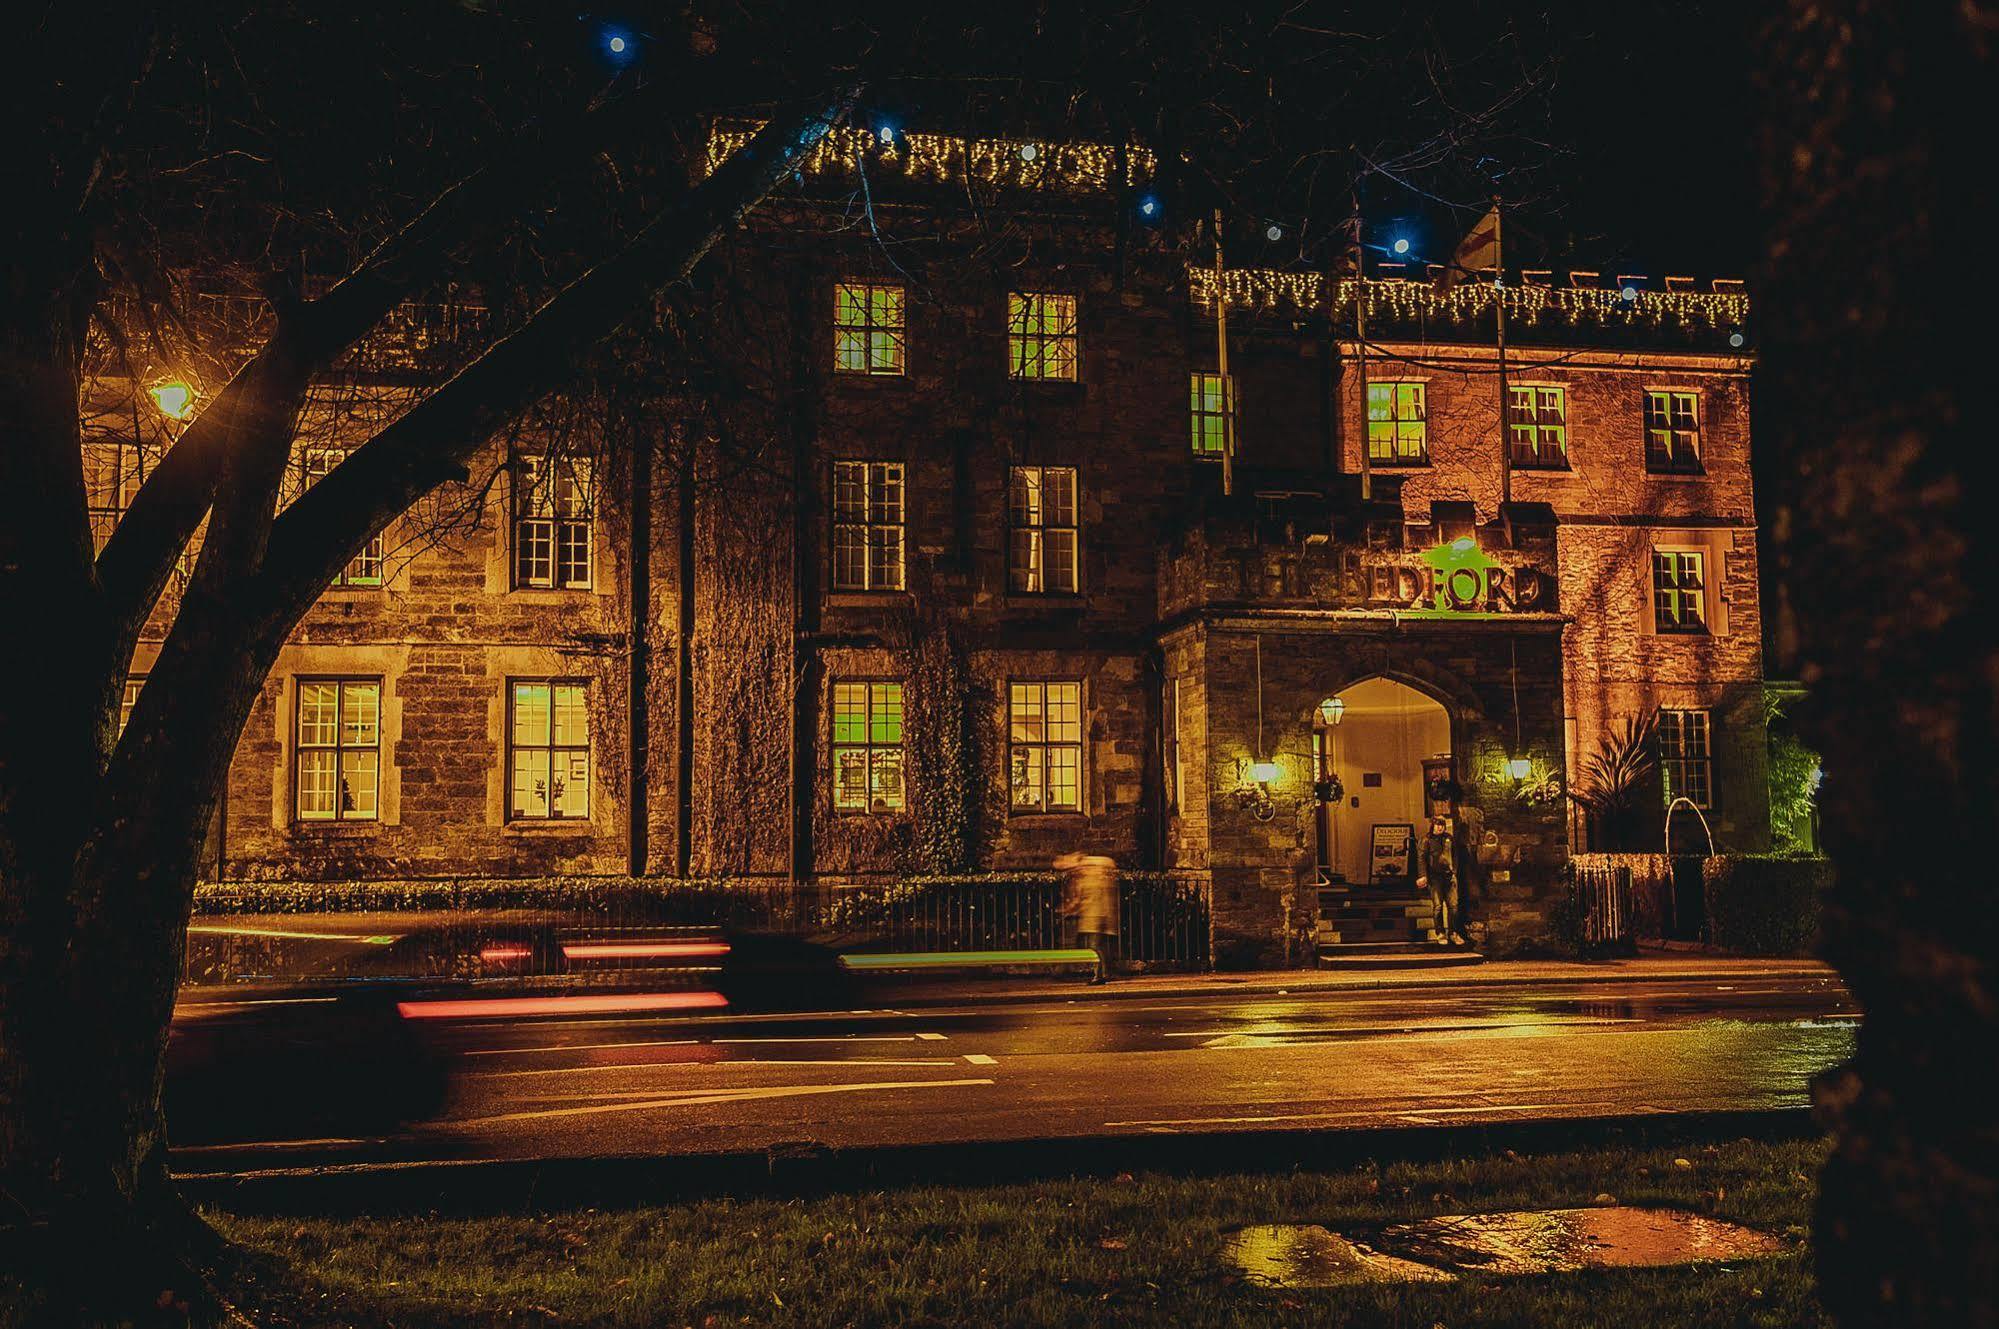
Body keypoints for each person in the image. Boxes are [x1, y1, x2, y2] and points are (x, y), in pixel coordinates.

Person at [1056, 851, 1119, 983]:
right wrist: (1070, 909)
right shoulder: (1088, 877)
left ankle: (1101, 974)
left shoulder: (1093, 877)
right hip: (1092, 917)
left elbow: (1088, 899)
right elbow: (1082, 898)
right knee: (1094, 945)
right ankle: (1102, 972)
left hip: (1096, 917)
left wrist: (1071, 908)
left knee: (1094, 945)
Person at [1421, 814, 1461, 946]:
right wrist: (1424, 876)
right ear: (1433, 825)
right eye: (1438, 825)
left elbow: (1455, 855)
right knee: (1438, 906)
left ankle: (1453, 933)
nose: (1440, 828)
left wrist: (1454, 870)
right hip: (1434, 877)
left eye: (1442, 825)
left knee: (1453, 906)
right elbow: (1422, 859)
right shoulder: (1427, 840)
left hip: (1449, 876)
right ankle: (1440, 933)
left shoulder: (1449, 838)